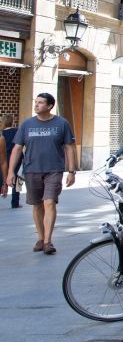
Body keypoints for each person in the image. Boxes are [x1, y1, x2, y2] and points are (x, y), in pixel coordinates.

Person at [6, 94, 76, 254]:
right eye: (35, 102)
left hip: (54, 170)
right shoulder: (27, 124)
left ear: (50, 106)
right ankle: (40, 237)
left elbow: (70, 147)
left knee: (49, 202)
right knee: (37, 205)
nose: (36, 105)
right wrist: (11, 172)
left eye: (40, 103)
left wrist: (71, 171)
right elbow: (17, 149)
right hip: (31, 169)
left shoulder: (62, 123)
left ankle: (47, 242)